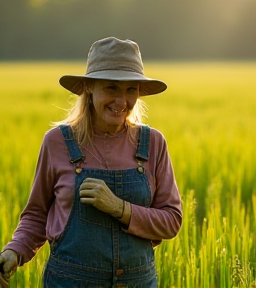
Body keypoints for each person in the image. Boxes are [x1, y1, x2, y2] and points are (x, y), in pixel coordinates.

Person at [0, 37, 182, 288]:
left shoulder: (153, 143)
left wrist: (119, 208)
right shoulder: (57, 142)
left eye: (131, 90)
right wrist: (14, 252)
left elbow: (172, 220)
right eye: (111, 88)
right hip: (68, 282)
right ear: (89, 88)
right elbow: (37, 214)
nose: (122, 101)